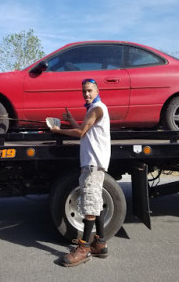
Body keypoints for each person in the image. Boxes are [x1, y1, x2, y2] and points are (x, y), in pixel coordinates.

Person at [49, 78, 111, 267]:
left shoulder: (97, 108)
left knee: (90, 205)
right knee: (96, 203)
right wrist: (70, 120)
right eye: (84, 91)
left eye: (89, 90)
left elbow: (81, 132)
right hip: (93, 165)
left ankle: (84, 249)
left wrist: (58, 130)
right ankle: (100, 244)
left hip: (93, 165)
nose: (86, 94)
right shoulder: (94, 109)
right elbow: (84, 130)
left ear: (97, 90)